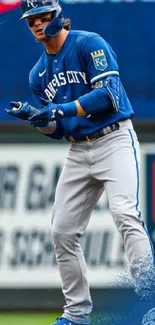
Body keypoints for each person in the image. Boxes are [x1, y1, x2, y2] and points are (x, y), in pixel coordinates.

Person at [5, 1, 155, 324]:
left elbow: (109, 94)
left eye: (44, 16)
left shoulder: (89, 43)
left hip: (114, 139)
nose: (38, 23)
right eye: (32, 19)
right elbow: (58, 129)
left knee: (125, 213)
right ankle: (76, 314)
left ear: (58, 15)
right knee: (61, 230)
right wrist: (38, 118)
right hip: (78, 150)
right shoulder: (37, 74)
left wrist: (61, 109)